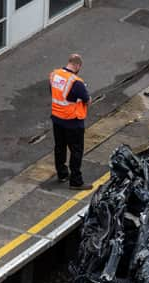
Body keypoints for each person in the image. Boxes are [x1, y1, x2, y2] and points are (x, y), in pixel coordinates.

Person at [50, 53, 93, 190]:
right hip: (72, 121)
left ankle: (62, 174)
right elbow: (87, 100)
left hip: (57, 118)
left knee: (60, 147)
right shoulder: (76, 82)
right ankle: (76, 181)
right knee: (76, 151)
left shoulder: (54, 75)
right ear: (78, 65)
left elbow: (54, 92)